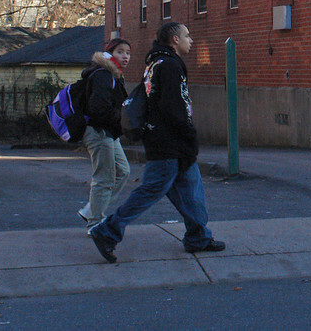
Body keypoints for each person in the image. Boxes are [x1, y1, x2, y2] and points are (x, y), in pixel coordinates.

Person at [88, 23, 225, 263]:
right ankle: (106, 231)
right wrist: (189, 135)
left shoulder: (154, 64)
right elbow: (174, 107)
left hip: (168, 142)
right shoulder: (170, 65)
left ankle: (198, 237)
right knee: (150, 191)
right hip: (168, 143)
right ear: (174, 39)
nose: (190, 40)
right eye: (187, 35)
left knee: (192, 191)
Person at [77, 37, 132, 227]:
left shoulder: (114, 75)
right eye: (120, 52)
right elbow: (98, 109)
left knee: (123, 171)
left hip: (109, 132)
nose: (125, 56)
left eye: (128, 53)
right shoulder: (103, 75)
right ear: (109, 53)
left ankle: (91, 209)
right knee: (104, 178)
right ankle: (95, 222)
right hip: (99, 132)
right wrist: (118, 118)